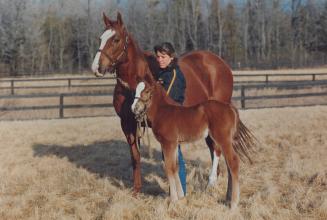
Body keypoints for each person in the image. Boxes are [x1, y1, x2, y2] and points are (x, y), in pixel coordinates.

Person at [153, 42, 187, 194]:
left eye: (163, 56)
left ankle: (182, 192)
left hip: (173, 121)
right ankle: (176, 191)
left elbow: (167, 100)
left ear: (171, 57)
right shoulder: (162, 73)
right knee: (168, 157)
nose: (160, 59)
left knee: (175, 156)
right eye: (158, 57)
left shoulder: (173, 74)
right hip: (165, 120)